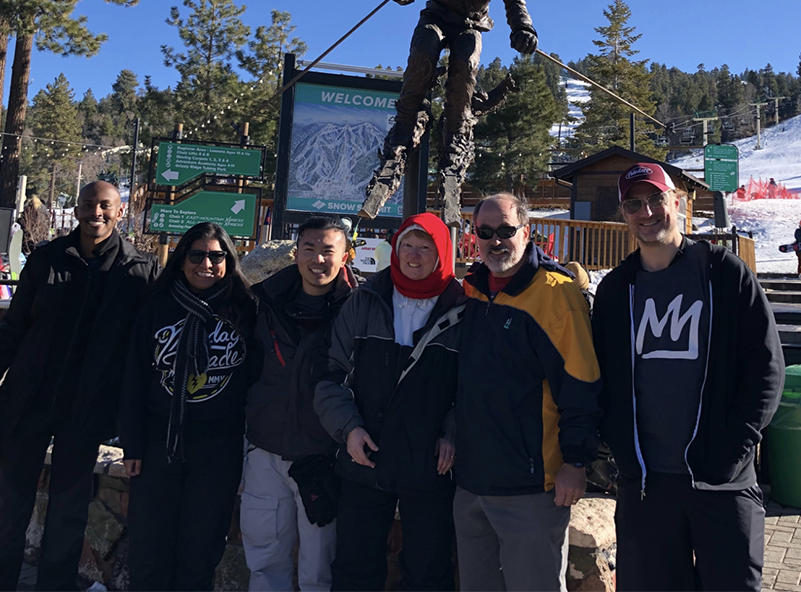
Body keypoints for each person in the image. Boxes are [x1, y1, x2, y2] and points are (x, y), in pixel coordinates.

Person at [0, 182, 157, 592]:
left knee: (68, 515)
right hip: (27, 403)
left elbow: (143, 353)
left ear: (120, 211)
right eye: (88, 205)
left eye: (105, 206)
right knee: (9, 511)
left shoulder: (138, 271)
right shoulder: (47, 260)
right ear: (77, 209)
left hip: (86, 412)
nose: (96, 213)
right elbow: (13, 331)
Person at [592, 161, 784, 592]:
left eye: (656, 199)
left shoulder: (723, 273)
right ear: (623, 214)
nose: (646, 212)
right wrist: (618, 450)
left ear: (676, 202)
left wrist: (735, 447)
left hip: (721, 478)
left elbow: (766, 368)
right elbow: (599, 378)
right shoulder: (616, 291)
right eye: (633, 204)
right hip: (647, 486)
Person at [360, 0, 538, 226]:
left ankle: (453, 154)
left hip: (471, 23)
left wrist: (523, 29)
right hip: (437, 17)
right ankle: (400, 138)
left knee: (466, 61)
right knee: (424, 48)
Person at [453, 193, 600, 592]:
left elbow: (581, 385)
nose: (495, 240)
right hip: (471, 483)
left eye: (505, 230)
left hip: (532, 488)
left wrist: (576, 461)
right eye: (485, 232)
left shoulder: (557, 294)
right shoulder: (469, 292)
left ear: (527, 231)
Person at [315, 213, 466, 592]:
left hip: (429, 463)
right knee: (355, 568)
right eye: (407, 247)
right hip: (365, 456)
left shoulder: (462, 310)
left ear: (442, 252)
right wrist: (348, 428)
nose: (414, 256)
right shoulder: (366, 301)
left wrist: (453, 432)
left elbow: (475, 387)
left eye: (425, 247)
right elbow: (330, 375)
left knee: (427, 571)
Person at [119, 223, 260, 592]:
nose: (206, 264)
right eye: (197, 255)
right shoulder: (156, 307)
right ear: (182, 259)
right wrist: (131, 443)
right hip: (158, 442)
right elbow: (134, 377)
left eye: (217, 256)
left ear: (229, 261)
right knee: (149, 549)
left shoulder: (246, 309)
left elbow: (258, 376)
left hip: (219, 447)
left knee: (201, 550)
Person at [241, 216, 358, 592]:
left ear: (346, 256)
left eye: (328, 250)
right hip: (266, 447)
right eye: (309, 248)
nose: (318, 259)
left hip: (323, 454)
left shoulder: (359, 310)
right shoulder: (265, 300)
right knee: (263, 558)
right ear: (296, 253)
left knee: (319, 567)